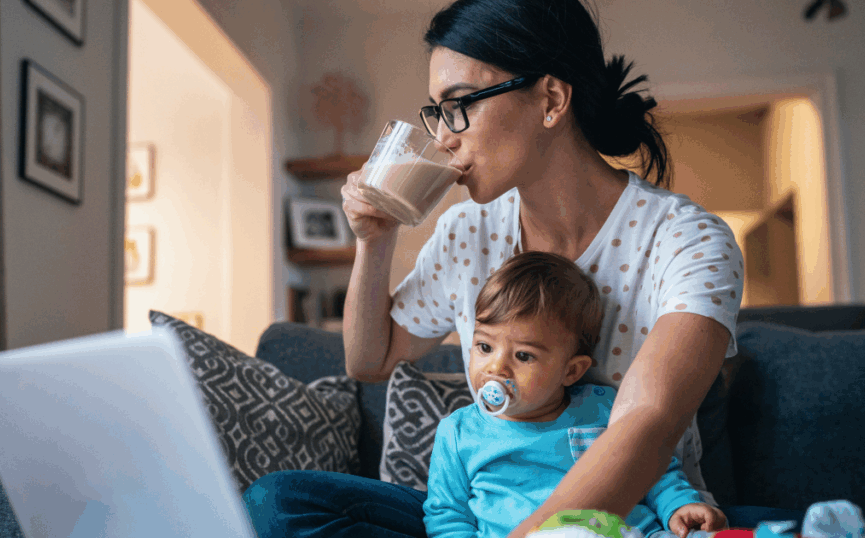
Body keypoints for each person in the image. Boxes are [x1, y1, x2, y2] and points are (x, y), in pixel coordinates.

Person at [243, 0, 765, 536]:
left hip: (636, 516)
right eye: (438, 112)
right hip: (489, 518)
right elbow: (368, 360)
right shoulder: (467, 230)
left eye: (460, 104)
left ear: (551, 100)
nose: (445, 137)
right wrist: (374, 242)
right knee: (280, 501)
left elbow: (647, 420)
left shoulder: (687, 239)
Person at [423, 251, 726, 538]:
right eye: (485, 347)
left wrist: (679, 505)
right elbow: (448, 516)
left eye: (524, 356)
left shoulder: (604, 407)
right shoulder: (458, 433)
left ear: (572, 371)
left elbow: (652, 470)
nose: (496, 367)